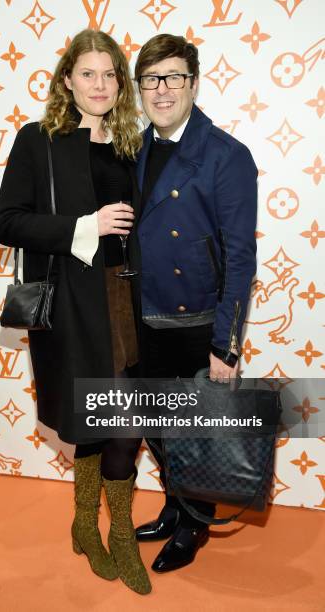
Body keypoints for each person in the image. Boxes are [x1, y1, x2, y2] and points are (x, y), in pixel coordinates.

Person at [0, 29, 151, 595]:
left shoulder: (133, 141)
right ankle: (90, 525)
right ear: (67, 80)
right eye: (89, 73)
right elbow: (7, 222)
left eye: (110, 74)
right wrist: (86, 227)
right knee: (93, 420)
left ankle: (117, 532)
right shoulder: (38, 140)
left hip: (127, 299)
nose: (101, 84)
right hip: (72, 303)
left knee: (127, 422)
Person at [132, 34, 258, 573]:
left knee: (196, 432)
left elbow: (240, 257)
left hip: (194, 320)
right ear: (140, 89)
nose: (162, 90)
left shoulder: (225, 155)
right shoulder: (134, 149)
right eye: (151, 79)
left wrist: (225, 346)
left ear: (194, 83)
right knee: (155, 426)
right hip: (140, 317)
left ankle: (193, 524)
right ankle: (173, 505)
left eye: (174, 77)